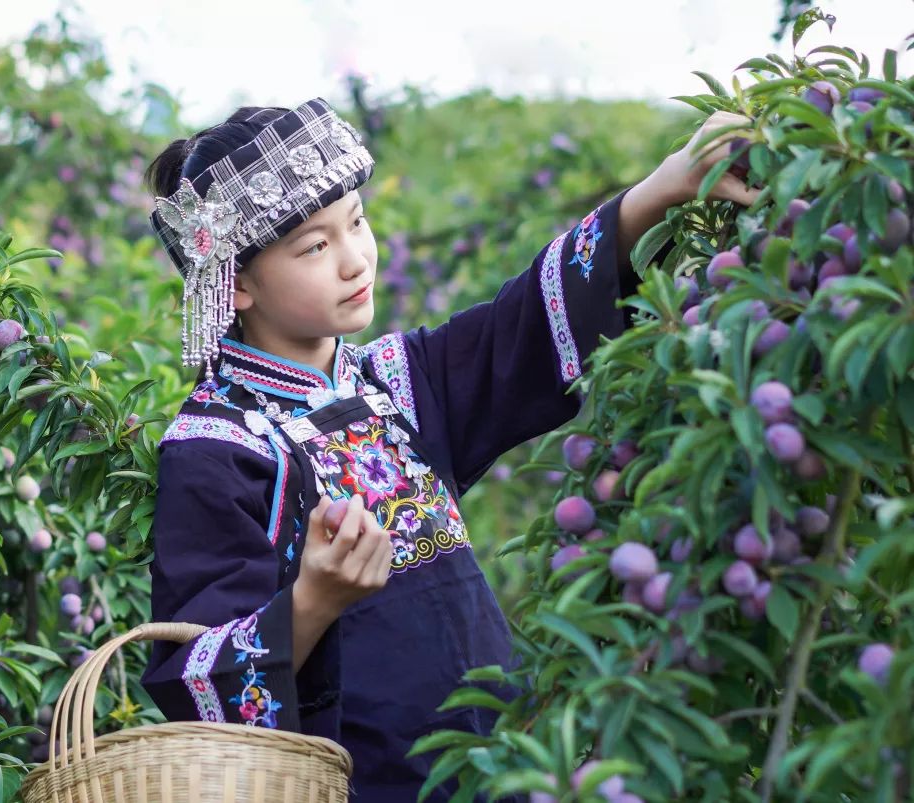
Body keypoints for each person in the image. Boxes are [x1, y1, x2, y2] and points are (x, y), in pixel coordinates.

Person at [139, 98, 757, 801]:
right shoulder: (215, 446)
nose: (354, 260)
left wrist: (668, 185)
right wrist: (315, 598)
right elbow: (194, 679)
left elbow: (524, 323)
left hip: (509, 765)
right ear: (237, 283)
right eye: (315, 246)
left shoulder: (397, 381)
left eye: (358, 222)